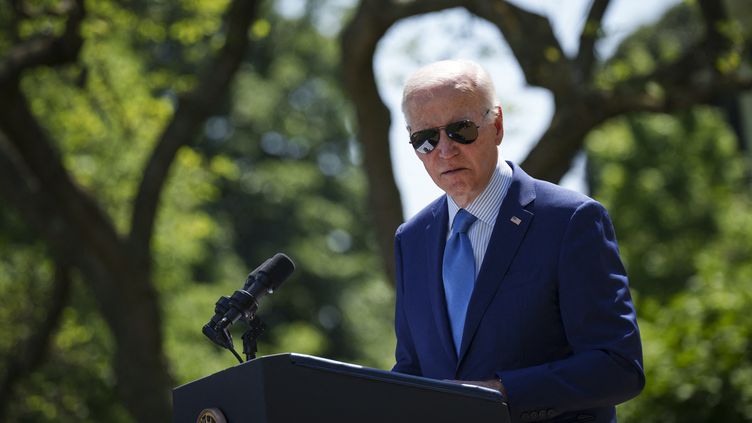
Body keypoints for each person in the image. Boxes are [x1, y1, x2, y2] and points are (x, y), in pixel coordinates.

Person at [392, 60, 644, 423]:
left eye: (460, 130)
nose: (444, 150)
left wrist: (502, 394)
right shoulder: (411, 239)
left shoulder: (571, 220)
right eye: (425, 139)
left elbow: (619, 367)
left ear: (497, 125)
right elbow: (412, 370)